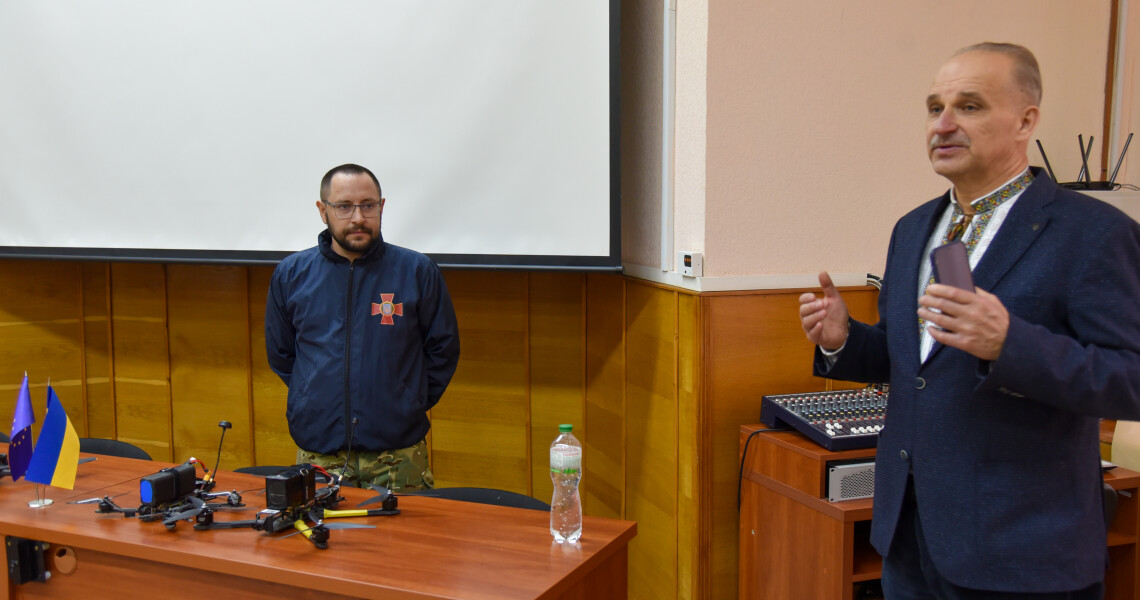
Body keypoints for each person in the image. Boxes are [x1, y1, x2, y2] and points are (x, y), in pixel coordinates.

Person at [798, 43, 1140, 598]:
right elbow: (915, 365)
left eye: (971, 106)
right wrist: (845, 342)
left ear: (1026, 119)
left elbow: (1131, 379)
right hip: (909, 538)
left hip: (1023, 549)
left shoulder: (1093, 233)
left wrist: (1010, 343)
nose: (944, 124)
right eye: (935, 108)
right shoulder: (912, 229)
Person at [265, 163, 460, 491]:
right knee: (320, 540)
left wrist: (406, 399)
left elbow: (443, 350)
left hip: (398, 456)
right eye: (343, 207)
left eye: (368, 205)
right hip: (319, 455)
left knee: (408, 543)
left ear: (381, 207)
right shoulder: (291, 275)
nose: (357, 218)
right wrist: (315, 395)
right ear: (322, 211)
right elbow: (282, 355)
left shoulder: (417, 271)